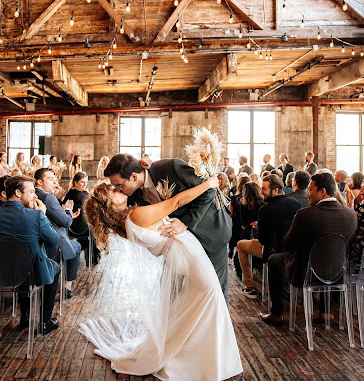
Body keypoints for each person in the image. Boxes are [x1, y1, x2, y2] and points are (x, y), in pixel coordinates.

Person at [81, 176, 242, 380]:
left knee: (196, 303)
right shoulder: (136, 216)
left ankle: (205, 359)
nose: (118, 189)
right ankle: (202, 362)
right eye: (113, 191)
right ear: (108, 204)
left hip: (183, 254)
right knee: (209, 296)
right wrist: (208, 184)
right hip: (188, 254)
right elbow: (176, 202)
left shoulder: (126, 224)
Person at [105, 153, 232, 301]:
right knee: (173, 296)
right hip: (182, 247)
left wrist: (185, 222)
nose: (119, 189)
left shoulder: (170, 167)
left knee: (213, 292)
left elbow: (210, 188)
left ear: (134, 177)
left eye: (119, 185)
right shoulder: (133, 194)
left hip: (209, 234)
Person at [260, 173, 357, 325]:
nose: (308, 193)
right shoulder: (351, 214)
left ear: (323, 191)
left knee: (273, 259)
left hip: (306, 273)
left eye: (311, 189)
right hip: (337, 272)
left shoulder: (305, 214)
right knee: (327, 259)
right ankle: (326, 312)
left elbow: (288, 244)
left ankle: (276, 313)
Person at [0, 176, 61, 334]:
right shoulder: (36, 216)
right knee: (54, 266)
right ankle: (45, 320)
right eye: (32, 192)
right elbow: (54, 241)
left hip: (0, 272)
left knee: (19, 261)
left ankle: (25, 315)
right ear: (18, 193)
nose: (35, 196)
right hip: (31, 274)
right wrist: (43, 214)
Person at [237, 175, 300, 299]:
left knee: (240, 244)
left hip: (271, 251)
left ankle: (250, 286)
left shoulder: (265, 210)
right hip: (292, 251)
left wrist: (259, 227)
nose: (261, 192)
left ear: (275, 190)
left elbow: (263, 240)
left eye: (264, 189)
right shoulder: (295, 204)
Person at [34, 168, 82, 298]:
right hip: (52, 245)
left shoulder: (35, 195)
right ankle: (67, 285)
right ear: (39, 182)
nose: (54, 182)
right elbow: (66, 222)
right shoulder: (48, 197)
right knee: (77, 247)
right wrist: (68, 211)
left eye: (55, 179)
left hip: (37, 244)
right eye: (50, 179)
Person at [62, 172, 96, 265]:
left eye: (86, 182)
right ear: (75, 183)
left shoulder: (70, 193)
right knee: (94, 231)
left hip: (71, 226)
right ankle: (91, 259)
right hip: (79, 227)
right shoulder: (81, 194)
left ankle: (80, 251)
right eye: (82, 182)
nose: (85, 184)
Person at [229, 174, 250, 264]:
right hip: (246, 224)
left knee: (233, 238)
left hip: (236, 223)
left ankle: (230, 254)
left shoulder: (234, 198)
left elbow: (230, 213)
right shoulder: (251, 199)